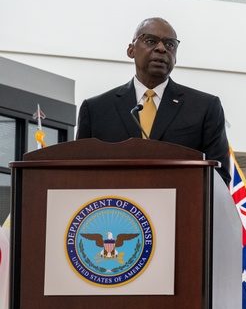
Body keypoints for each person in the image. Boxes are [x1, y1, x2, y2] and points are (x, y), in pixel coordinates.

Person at [77, 17, 232, 185]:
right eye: (150, 41)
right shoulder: (96, 109)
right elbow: (79, 173)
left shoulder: (204, 107)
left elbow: (219, 177)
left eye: (170, 44)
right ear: (131, 50)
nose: (161, 49)